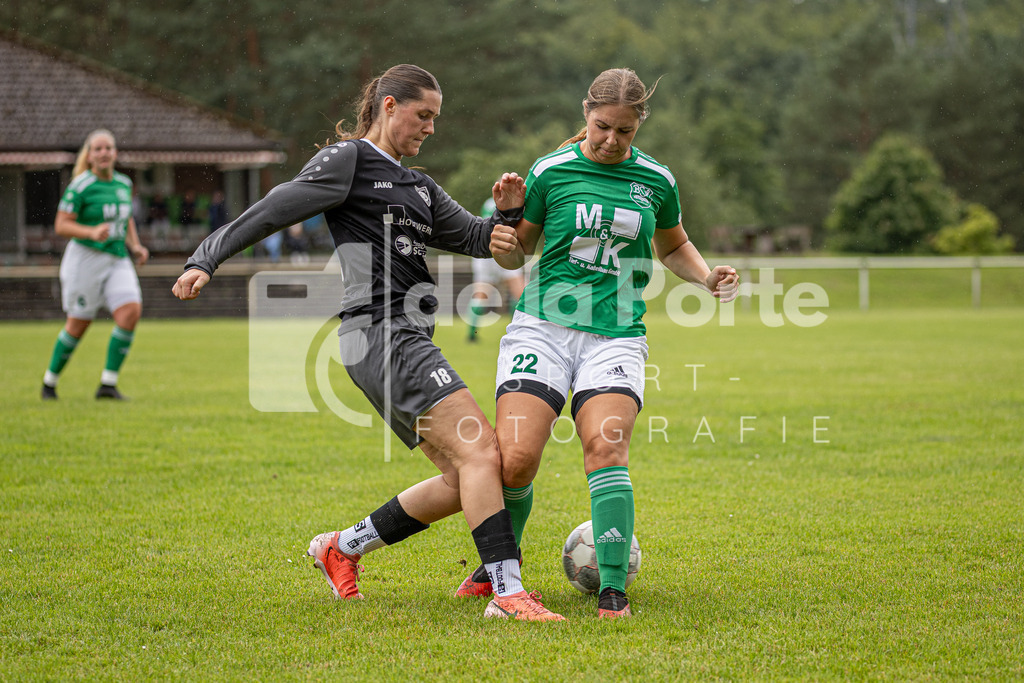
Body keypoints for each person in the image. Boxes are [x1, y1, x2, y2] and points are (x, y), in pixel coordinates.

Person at [171, 64, 563, 622]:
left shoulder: (419, 186)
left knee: (469, 474)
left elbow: (480, 240)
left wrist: (509, 212)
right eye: (422, 115)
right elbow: (270, 211)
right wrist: (205, 257)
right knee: (480, 452)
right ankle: (507, 592)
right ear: (387, 106)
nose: (430, 127)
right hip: (381, 331)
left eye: (435, 118)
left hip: (398, 337)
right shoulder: (348, 161)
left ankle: (342, 547)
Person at [454, 68, 740, 618]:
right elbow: (515, 257)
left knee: (606, 448)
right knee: (515, 459)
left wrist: (705, 277)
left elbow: (674, 244)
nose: (611, 140)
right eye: (602, 127)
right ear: (586, 113)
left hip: (616, 336)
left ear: (639, 128)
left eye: (625, 132)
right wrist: (509, 222)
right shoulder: (551, 171)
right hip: (542, 328)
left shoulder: (657, 180)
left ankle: (613, 588)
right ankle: (499, 573)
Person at [41, 129, 150, 401]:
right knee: (79, 324)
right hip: (85, 260)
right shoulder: (81, 185)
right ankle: (49, 383)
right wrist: (90, 232)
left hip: (117, 258)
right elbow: (61, 224)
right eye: (98, 149)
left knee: (131, 311)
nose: (104, 153)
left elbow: (126, 220)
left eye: (108, 148)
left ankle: (107, 385)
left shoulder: (123, 184)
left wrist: (135, 246)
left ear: (115, 153)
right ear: (89, 156)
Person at [466, 197, 525, 343]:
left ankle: (471, 335)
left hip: (487, 251)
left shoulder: (488, 203)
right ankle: (516, 332)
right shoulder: (515, 204)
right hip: (503, 249)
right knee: (521, 296)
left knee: (482, 296)